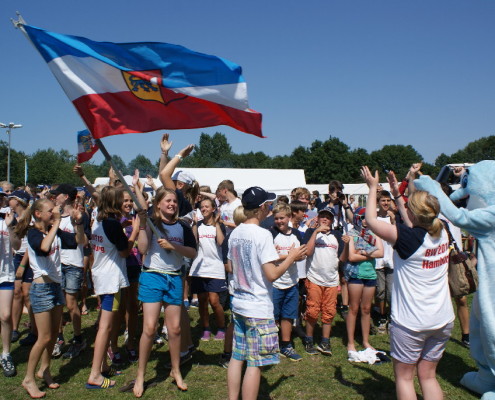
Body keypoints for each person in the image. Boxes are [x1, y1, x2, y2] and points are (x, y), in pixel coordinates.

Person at [361, 166, 454, 400]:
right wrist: (396, 193)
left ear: (412, 215)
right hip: (441, 319)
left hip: (411, 323)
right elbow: (413, 218)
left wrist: (373, 188)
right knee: (428, 376)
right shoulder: (441, 229)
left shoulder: (407, 238)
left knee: (404, 378)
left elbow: (371, 220)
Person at [227, 187, 306, 400]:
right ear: (262, 208)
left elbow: (231, 267)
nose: (269, 208)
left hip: (240, 303)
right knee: (255, 363)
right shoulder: (262, 234)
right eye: (268, 205)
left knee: (237, 356)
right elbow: (271, 275)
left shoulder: (236, 232)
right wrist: (291, 257)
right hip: (258, 307)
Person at [17, 198, 85, 398]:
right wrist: (56, 223)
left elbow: (78, 242)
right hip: (41, 289)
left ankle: (44, 370)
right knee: (44, 337)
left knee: (54, 334)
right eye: (50, 210)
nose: (54, 212)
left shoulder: (52, 231)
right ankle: (28, 378)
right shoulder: (33, 233)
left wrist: (78, 224)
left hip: (55, 286)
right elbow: (44, 248)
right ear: (38, 214)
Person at [133, 188, 197, 396]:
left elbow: (192, 252)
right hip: (152, 276)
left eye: (175, 201)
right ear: (158, 203)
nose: (172, 204)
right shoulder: (153, 223)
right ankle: (141, 375)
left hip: (175, 278)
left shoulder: (183, 227)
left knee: (175, 329)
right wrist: (143, 226)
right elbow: (142, 249)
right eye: (168, 200)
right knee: (150, 328)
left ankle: (176, 370)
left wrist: (173, 246)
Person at [86, 187, 130, 390]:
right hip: (111, 280)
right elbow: (124, 252)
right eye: (122, 200)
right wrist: (136, 230)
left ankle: (102, 365)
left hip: (101, 275)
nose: (125, 203)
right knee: (105, 327)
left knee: (108, 325)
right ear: (115, 203)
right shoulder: (113, 224)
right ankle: (94, 374)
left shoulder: (99, 221)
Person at [50, 184, 90, 359]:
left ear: (65, 197)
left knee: (72, 304)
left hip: (73, 264)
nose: (54, 197)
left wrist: (78, 222)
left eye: (56, 195)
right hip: (55, 264)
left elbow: (83, 241)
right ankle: (58, 338)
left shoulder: (79, 215)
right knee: (58, 303)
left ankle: (78, 339)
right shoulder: (53, 215)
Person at [340, 207, 384, 358]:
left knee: (366, 309)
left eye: (369, 217)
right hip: (355, 274)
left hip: (370, 274)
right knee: (354, 308)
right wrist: (371, 254)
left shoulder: (374, 233)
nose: (366, 220)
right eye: (363, 217)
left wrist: (363, 252)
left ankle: (365, 341)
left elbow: (381, 252)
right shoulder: (352, 234)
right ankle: (351, 343)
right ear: (358, 218)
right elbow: (351, 257)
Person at [301, 207, 344, 355]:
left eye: (328, 217)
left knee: (329, 311)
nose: (325, 219)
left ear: (332, 221)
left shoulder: (337, 235)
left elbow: (342, 258)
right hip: (314, 278)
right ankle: (309, 339)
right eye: (322, 217)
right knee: (312, 310)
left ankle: (325, 341)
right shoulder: (310, 233)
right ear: (318, 219)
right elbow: (308, 252)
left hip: (331, 279)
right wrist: (315, 232)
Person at [270, 203, 304, 361]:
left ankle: (286, 344)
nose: (279, 221)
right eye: (276, 218)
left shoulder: (296, 234)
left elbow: (302, 253)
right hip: (275, 282)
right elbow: (269, 257)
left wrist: (296, 255)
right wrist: (290, 256)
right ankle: (270, 344)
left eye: (282, 218)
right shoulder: (270, 234)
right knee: (272, 315)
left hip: (291, 281)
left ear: (289, 218)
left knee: (288, 315)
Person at [190, 197, 227, 341]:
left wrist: (217, 224)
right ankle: (205, 328)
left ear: (213, 209)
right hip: (199, 268)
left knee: (214, 301)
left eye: (207, 206)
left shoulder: (219, 225)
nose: (204, 209)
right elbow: (194, 243)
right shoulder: (198, 225)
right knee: (202, 300)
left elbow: (221, 242)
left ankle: (221, 327)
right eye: (202, 207)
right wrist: (193, 225)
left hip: (215, 268)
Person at [373, 190, 395, 334]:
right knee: (380, 291)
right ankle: (382, 316)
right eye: (383, 200)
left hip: (392, 257)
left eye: (388, 200)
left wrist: (394, 221)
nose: (386, 203)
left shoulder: (393, 217)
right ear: (378, 203)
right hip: (378, 258)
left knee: (391, 292)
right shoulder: (374, 218)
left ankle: (392, 317)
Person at [0, 204, 16, 377]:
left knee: (5, 316)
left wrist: (11, 227)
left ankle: (6, 354)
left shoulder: (7, 221)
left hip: (5, 275)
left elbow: (17, 245)